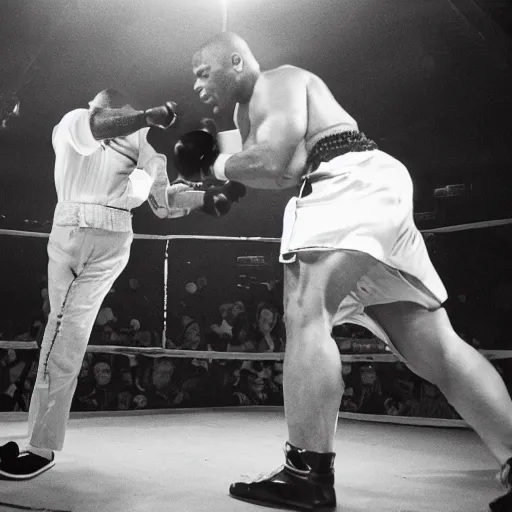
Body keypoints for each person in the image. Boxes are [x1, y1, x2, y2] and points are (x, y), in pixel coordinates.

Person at [186, 32, 512, 511]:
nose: (196, 85)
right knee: (433, 348)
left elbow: (272, 161)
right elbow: (273, 172)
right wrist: (196, 192)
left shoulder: (278, 80)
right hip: (367, 187)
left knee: (305, 310)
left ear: (236, 61)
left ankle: (307, 473)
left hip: (346, 179)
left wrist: (212, 165)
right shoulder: (244, 114)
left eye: (203, 72)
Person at [0, 88, 244, 480]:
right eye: (123, 113)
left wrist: (205, 199)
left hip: (109, 237)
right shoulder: (74, 120)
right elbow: (97, 125)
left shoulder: (143, 142)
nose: (126, 118)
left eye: (131, 113)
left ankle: (40, 447)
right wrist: (147, 116)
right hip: (73, 229)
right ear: (102, 106)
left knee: (63, 336)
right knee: (62, 335)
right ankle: (39, 439)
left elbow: (162, 203)